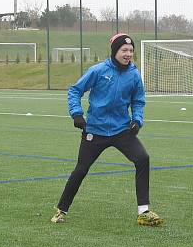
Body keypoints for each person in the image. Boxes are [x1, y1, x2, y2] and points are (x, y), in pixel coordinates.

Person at [51, 33, 163, 226]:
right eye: (124, 50)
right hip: (95, 130)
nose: (128, 54)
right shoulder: (98, 70)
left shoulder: (134, 75)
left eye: (131, 51)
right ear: (115, 51)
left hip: (122, 131)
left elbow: (138, 101)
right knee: (81, 169)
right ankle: (61, 210)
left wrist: (137, 120)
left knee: (143, 159)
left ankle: (143, 211)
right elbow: (75, 90)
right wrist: (77, 114)